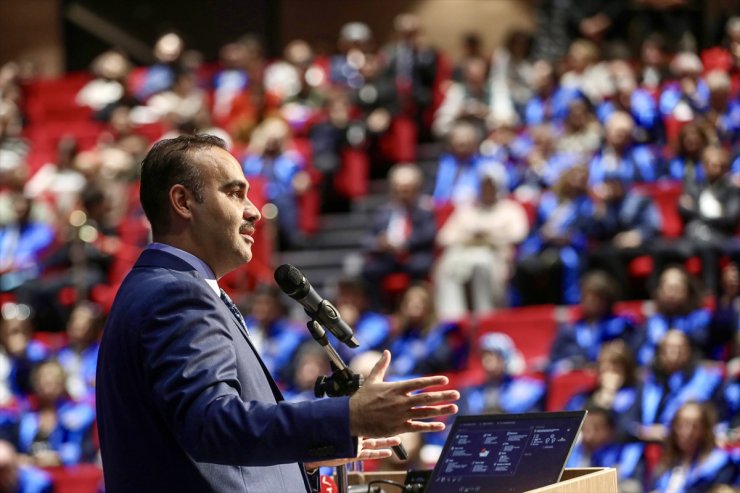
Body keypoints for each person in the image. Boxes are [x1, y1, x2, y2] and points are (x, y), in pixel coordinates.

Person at [96, 134, 460, 493]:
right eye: (235, 193)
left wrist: (306, 459)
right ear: (183, 201)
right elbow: (212, 425)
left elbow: (198, 446)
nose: (254, 210)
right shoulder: (176, 292)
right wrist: (347, 416)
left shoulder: (159, 286)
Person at [650, 401, 738, 492]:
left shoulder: (718, 462)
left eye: (695, 426)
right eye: (681, 425)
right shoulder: (667, 464)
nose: (687, 432)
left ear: (705, 430)